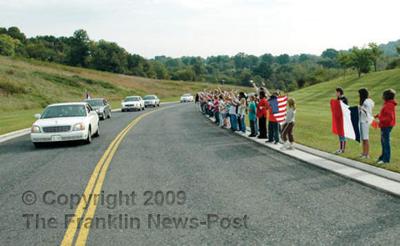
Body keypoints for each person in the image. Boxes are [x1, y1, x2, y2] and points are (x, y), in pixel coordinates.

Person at [375, 89, 397, 164]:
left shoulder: (389, 105)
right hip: (385, 125)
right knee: (383, 141)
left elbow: (389, 118)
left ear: (386, 96)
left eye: (383, 95)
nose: (382, 96)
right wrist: (377, 116)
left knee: (385, 142)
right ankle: (382, 157)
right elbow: (384, 113)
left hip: (386, 126)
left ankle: (386, 159)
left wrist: (380, 120)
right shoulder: (387, 103)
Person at [358, 88, 374, 159]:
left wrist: (360, 108)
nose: (358, 96)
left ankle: (366, 154)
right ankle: (364, 153)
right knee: (364, 138)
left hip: (365, 121)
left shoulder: (366, 102)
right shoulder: (370, 101)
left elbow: (366, 112)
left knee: (365, 138)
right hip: (364, 121)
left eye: (359, 94)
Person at [335, 87, 349, 154]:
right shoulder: (338, 99)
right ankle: (340, 148)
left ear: (339, 92)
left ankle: (343, 149)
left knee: (342, 134)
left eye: (336, 92)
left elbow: (345, 108)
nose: (336, 93)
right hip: (338, 118)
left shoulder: (344, 99)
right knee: (340, 134)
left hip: (343, 118)